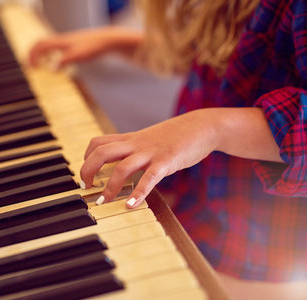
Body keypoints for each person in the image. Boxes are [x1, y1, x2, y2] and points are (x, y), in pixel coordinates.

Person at [29, 0, 306, 298]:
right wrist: (119, 42)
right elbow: (233, 60)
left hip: (261, 261)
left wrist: (213, 127)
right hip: (199, 214)